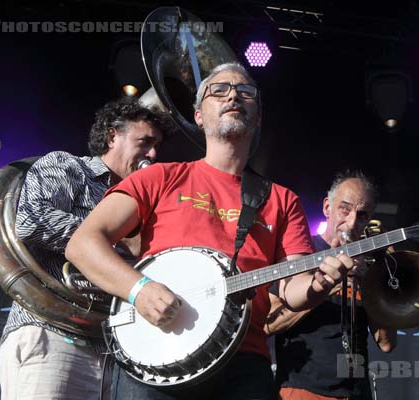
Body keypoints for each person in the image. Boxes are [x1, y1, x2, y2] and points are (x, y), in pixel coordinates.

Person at [64, 62, 355, 400]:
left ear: (258, 117)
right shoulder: (159, 177)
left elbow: (293, 290)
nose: (233, 95)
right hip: (156, 354)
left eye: (246, 93)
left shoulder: (281, 198)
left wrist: (321, 283)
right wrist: (139, 290)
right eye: (219, 90)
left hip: (243, 363)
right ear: (199, 115)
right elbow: (83, 244)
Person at [0, 97, 171, 400]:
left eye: (157, 145)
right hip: (51, 335)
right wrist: (114, 245)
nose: (152, 154)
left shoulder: (143, 203)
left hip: (113, 350)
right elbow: (31, 220)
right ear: (112, 136)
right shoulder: (68, 166)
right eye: (144, 142)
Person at [266, 171, 398, 400]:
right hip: (303, 389)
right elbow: (269, 323)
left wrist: (371, 286)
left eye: (363, 215)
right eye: (345, 209)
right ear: (327, 208)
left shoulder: (368, 266)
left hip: (357, 392)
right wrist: (329, 285)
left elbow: (386, 344)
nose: (352, 222)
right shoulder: (300, 253)